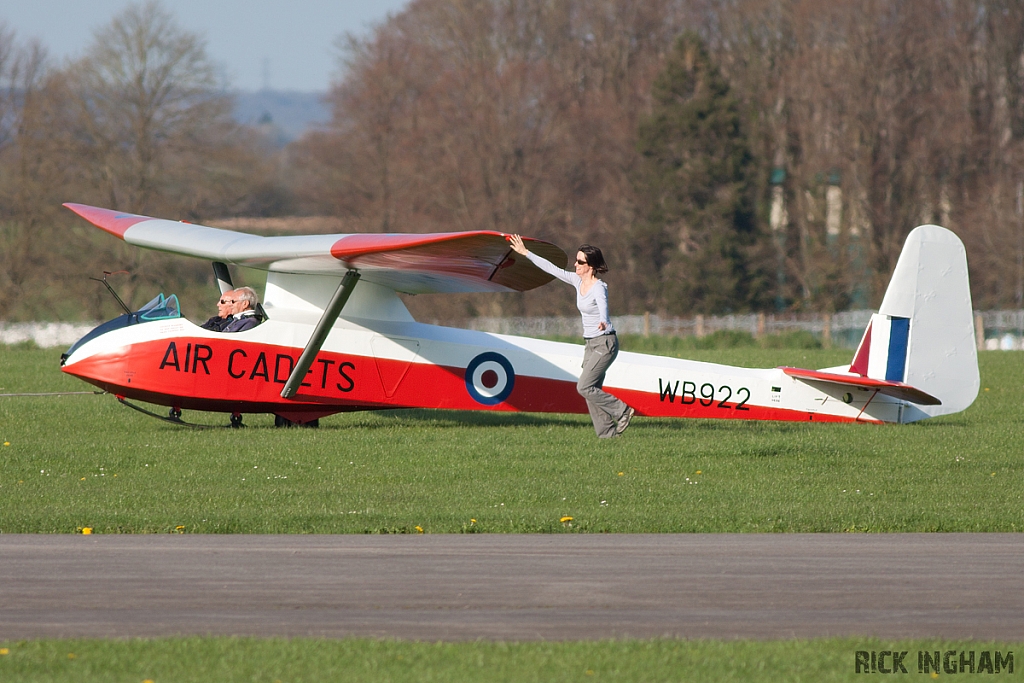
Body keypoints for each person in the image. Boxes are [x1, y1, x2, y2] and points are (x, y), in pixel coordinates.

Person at [509, 234, 635, 438]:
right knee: (591, 390)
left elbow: (604, 308)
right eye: (575, 260)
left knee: (584, 386)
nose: (575, 264)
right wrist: (526, 253)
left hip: (605, 342)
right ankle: (608, 435)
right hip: (590, 344)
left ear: (591, 266)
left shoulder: (599, 288)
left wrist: (604, 321)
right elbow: (553, 269)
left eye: (580, 262)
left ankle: (623, 411)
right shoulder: (577, 281)